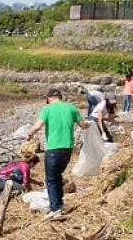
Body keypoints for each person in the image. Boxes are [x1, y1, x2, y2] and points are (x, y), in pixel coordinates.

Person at [25, 89, 89, 220]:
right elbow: (83, 125)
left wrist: (29, 134)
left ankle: (55, 209)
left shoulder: (47, 109)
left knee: (51, 178)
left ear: (49, 98)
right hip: (68, 149)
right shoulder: (71, 108)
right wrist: (90, 125)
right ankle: (59, 203)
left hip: (54, 149)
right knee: (57, 176)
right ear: (60, 97)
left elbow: (38, 126)